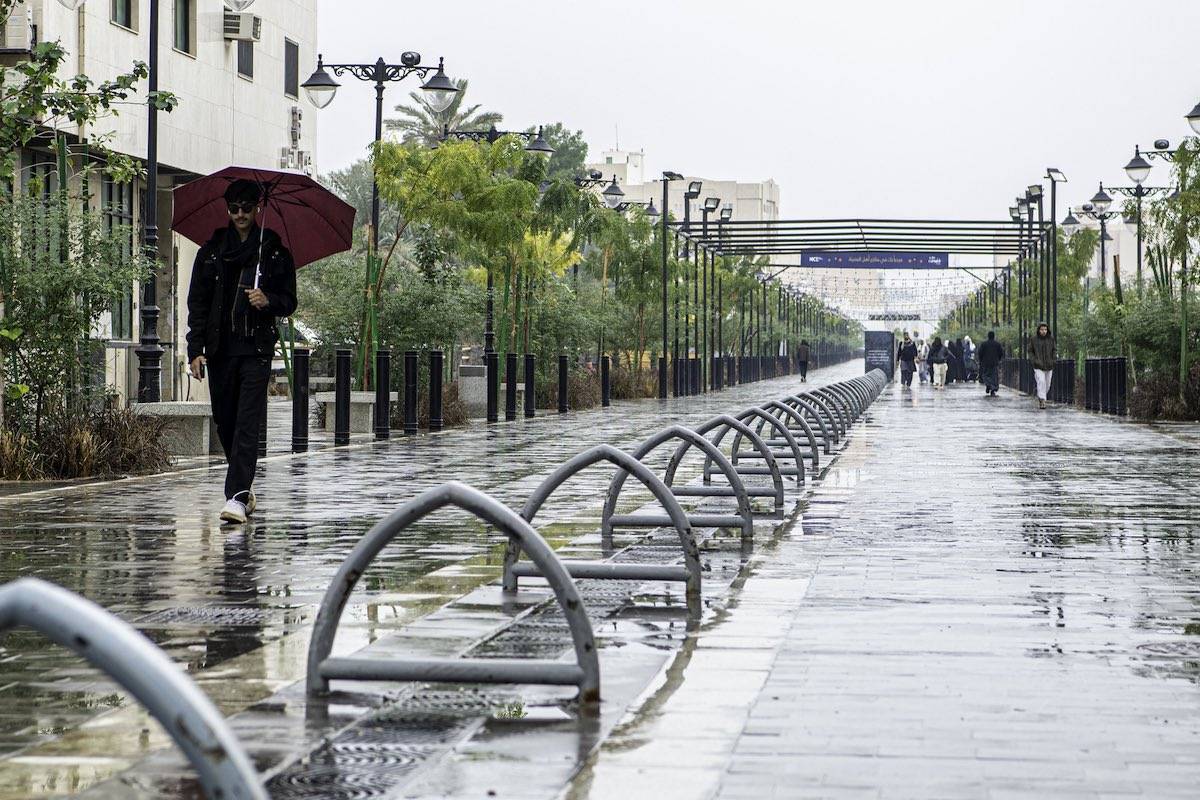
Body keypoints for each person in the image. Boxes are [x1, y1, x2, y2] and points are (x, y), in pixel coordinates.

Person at [187, 179, 297, 524]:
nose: (240, 215)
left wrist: (268, 300)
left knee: (247, 422)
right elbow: (198, 304)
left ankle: (234, 496)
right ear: (227, 210)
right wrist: (195, 349)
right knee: (226, 420)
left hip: (256, 350)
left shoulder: (275, 253)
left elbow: (289, 301)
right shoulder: (211, 252)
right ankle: (245, 492)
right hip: (220, 350)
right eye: (233, 209)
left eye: (246, 208)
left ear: (257, 208)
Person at [1029, 321, 1056, 409]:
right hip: (1038, 365)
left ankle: (1041, 395)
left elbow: (1054, 350)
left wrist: (1053, 360)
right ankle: (1042, 400)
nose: (1044, 331)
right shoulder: (1034, 339)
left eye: (1045, 329)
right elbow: (1030, 351)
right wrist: (1034, 360)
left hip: (1049, 365)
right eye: (1042, 329)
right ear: (1039, 330)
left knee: (1047, 384)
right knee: (1041, 381)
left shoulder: (1051, 339)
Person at [977, 331, 1004, 396]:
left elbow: (980, 353)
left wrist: (981, 360)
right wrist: (998, 359)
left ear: (988, 336)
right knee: (994, 376)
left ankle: (989, 385)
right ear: (994, 336)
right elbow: (1001, 353)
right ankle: (993, 388)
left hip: (985, 363)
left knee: (985, 375)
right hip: (994, 362)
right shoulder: (997, 344)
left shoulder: (984, 344)